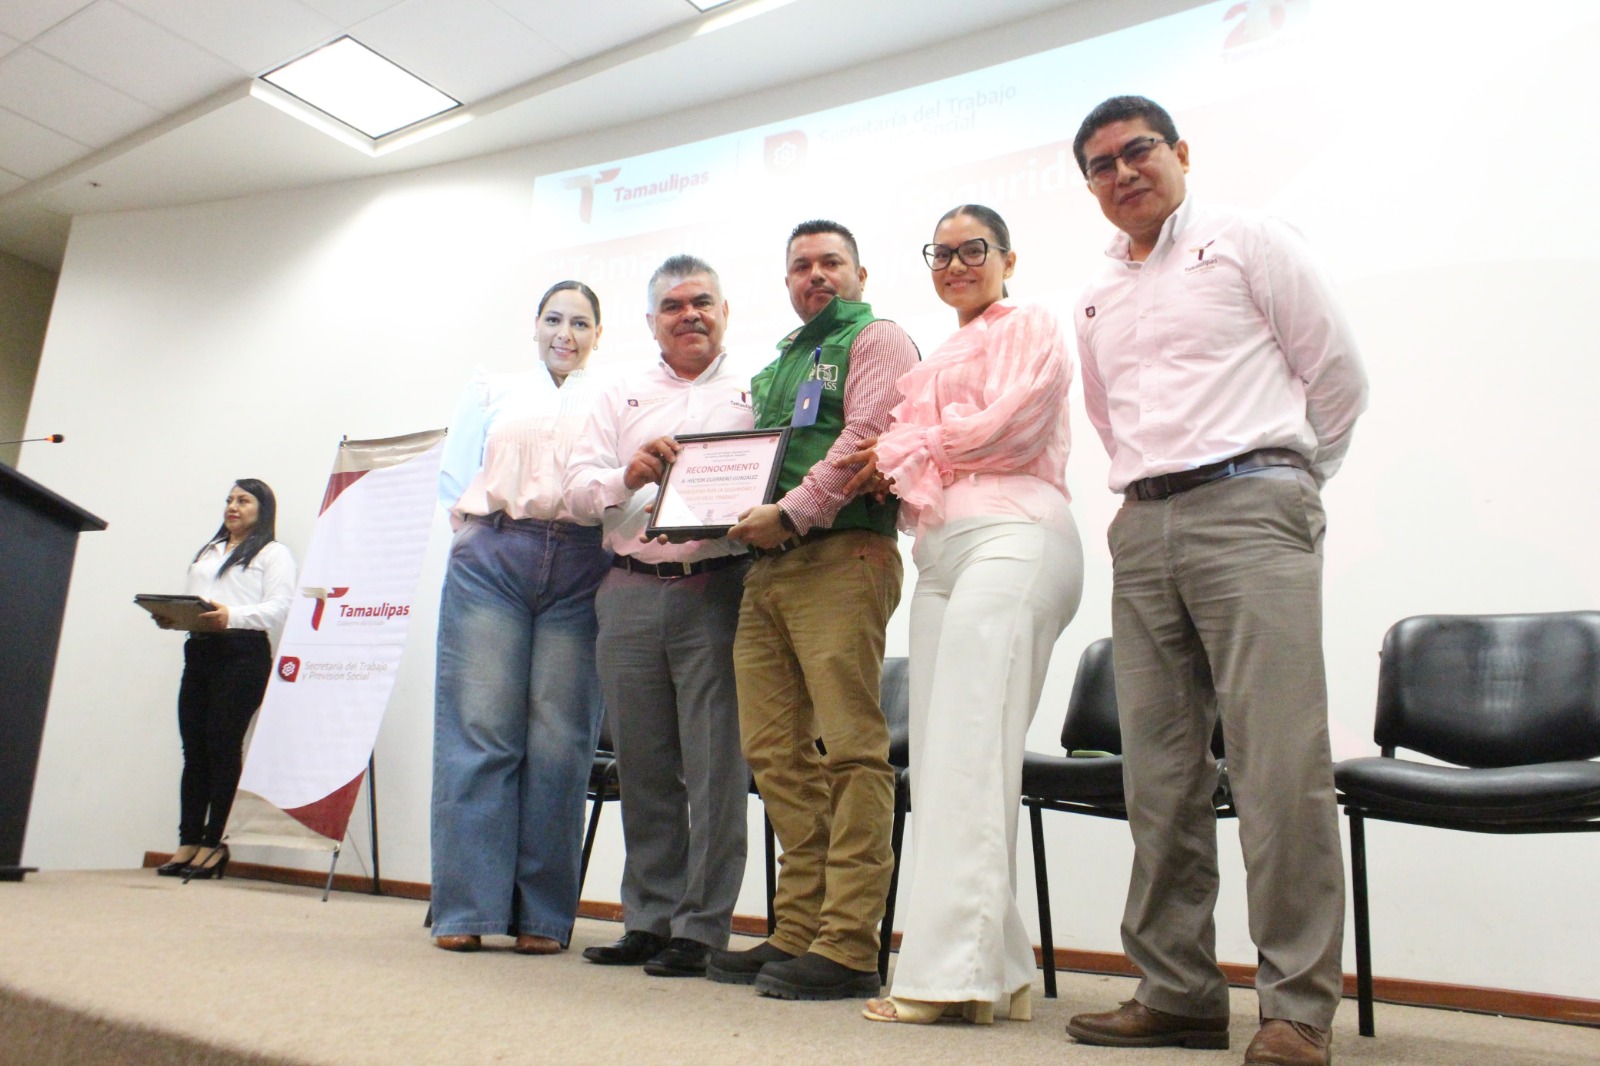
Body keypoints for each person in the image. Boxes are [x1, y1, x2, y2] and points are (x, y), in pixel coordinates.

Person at [1063, 96, 1368, 1066]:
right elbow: (1111, 421)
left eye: (1137, 150)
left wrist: (1289, 481)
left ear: (1180, 152)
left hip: (1251, 508)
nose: (1122, 173)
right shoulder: (1095, 295)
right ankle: (1179, 991)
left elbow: (1337, 377)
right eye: (1101, 164)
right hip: (1143, 523)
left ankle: (1296, 1008)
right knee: (1157, 774)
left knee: (1278, 766)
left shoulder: (1247, 239)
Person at [835, 205, 1083, 1025]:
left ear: (1008, 257)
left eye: (973, 249)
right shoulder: (938, 355)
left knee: (972, 753)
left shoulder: (1032, 324)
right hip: (940, 555)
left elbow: (1010, 430)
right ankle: (999, 969)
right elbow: (913, 455)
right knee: (948, 760)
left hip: (1016, 536)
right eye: (940, 254)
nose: (955, 264)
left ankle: (944, 978)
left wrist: (909, 449)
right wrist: (903, 453)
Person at [708, 220, 919, 1001]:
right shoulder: (777, 366)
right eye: (801, 265)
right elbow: (747, 462)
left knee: (852, 751)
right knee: (773, 752)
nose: (816, 274)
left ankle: (850, 942)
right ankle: (798, 927)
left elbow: (866, 433)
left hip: (841, 553)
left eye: (832, 262)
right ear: (787, 281)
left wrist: (792, 513)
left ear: (860, 273)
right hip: (768, 568)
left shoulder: (877, 337)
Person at [563, 255, 753, 978]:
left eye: (702, 301)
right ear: (651, 322)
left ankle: (701, 929)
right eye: (672, 306)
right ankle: (648, 919)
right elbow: (577, 490)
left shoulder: (755, 391)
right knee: (643, 767)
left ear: (724, 311)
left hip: (718, 587)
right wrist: (629, 474)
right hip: (629, 590)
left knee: (715, 769)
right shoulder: (617, 394)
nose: (689, 315)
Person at [430, 280, 611, 955]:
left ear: (598, 335)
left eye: (581, 323)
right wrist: (482, 538)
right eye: (554, 319)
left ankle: (542, 916)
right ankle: (466, 908)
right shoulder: (492, 390)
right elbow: (456, 476)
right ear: (535, 326)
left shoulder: (613, 397)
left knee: (560, 744)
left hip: (582, 565)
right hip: (494, 560)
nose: (566, 333)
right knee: (480, 733)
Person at [155, 479, 296, 882]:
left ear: (263, 508)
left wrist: (230, 616)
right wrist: (174, 616)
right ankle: (188, 841)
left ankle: (215, 843)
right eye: (230, 500)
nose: (233, 506)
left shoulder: (273, 553)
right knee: (194, 750)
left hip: (242, 654)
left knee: (222, 745)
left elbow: (280, 608)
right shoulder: (210, 550)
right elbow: (197, 601)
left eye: (243, 500)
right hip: (200, 651)